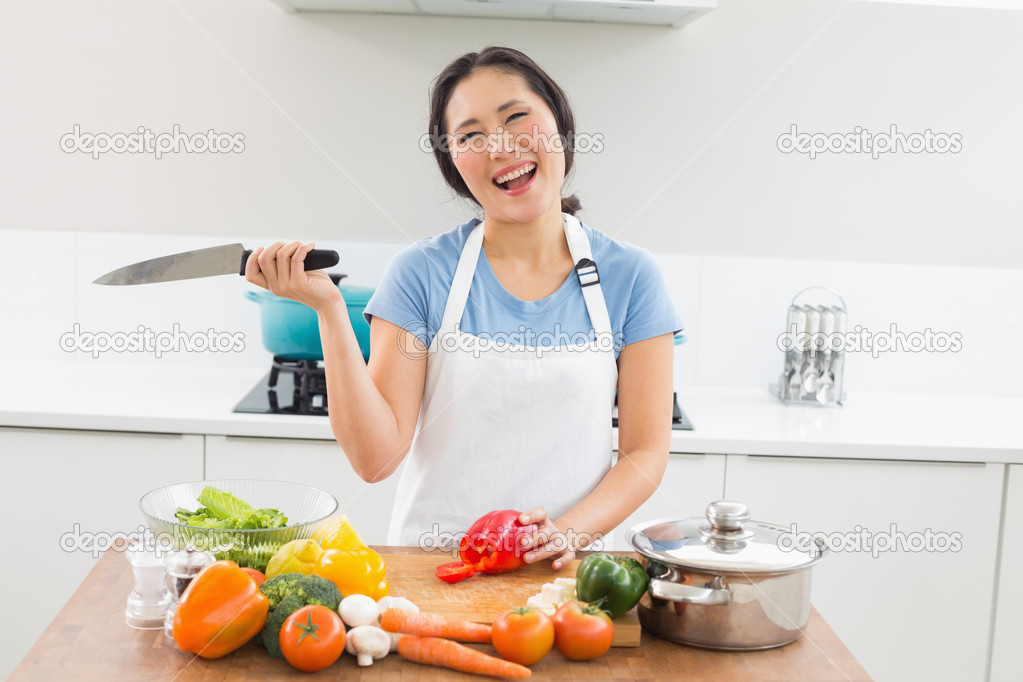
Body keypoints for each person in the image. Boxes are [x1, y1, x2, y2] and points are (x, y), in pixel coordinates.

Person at [245, 46, 682, 570]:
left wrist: (567, 534)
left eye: (516, 116)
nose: (499, 146)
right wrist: (330, 312)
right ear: (454, 162)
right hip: (432, 573)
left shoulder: (631, 277)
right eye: (471, 136)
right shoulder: (421, 274)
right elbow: (375, 460)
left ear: (560, 123)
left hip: (566, 579)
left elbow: (645, 453)